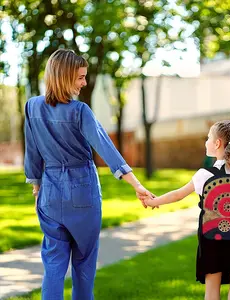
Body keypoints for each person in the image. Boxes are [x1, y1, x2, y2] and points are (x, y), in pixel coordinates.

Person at [24, 48, 153, 300]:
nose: (84, 83)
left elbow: (32, 152)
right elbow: (107, 148)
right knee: (84, 264)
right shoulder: (79, 111)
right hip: (82, 192)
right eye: (80, 77)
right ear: (64, 77)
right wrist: (136, 184)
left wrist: (37, 189)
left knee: (53, 265)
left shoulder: (32, 107)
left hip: (49, 193)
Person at [144, 120, 230, 300]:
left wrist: (154, 202)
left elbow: (178, 195)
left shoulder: (204, 175)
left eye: (208, 138)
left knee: (211, 294)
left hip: (212, 242)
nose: (206, 142)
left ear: (217, 144)